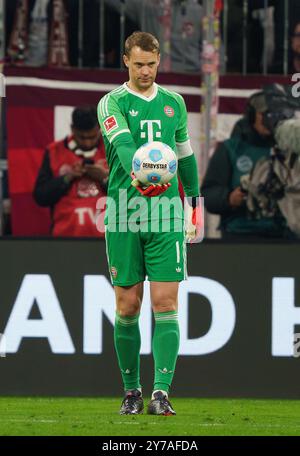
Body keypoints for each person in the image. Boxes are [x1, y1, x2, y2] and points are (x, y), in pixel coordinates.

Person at [97, 31, 200, 415]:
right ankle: (130, 391)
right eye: (139, 63)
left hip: (166, 216)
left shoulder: (174, 103)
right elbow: (124, 147)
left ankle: (160, 393)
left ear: (159, 61)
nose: (146, 71)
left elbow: (186, 159)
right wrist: (141, 176)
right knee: (127, 306)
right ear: (126, 60)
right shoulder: (112, 102)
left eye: (152, 64)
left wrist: (195, 206)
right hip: (125, 212)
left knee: (166, 303)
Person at [202, 91, 289, 239]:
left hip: (283, 235)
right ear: (251, 116)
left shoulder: (289, 151)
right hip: (240, 234)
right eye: (264, 115)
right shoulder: (230, 149)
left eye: (274, 115)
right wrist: (229, 198)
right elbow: (209, 194)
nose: (270, 120)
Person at [33, 105, 109, 237]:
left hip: (108, 241)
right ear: (72, 129)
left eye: (92, 137)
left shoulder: (113, 151)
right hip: (65, 241)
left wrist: (105, 179)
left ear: (100, 129)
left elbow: (132, 196)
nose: (87, 143)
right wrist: (67, 178)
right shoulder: (54, 152)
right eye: (82, 137)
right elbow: (41, 196)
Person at [105, 0, 203, 73]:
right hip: (155, 72)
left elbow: (213, 47)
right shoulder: (147, 6)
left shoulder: (200, 12)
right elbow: (118, 5)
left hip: (190, 74)